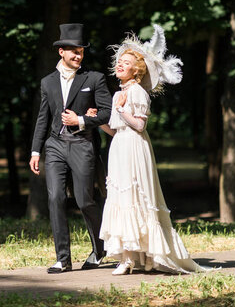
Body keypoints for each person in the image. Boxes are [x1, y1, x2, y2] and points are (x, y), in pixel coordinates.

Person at [89, 24, 208, 275]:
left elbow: (140, 125)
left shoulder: (138, 93)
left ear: (137, 70)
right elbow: (115, 129)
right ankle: (127, 258)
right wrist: (99, 121)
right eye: (119, 61)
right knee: (121, 198)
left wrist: (122, 109)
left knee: (138, 197)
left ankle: (151, 257)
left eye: (126, 62)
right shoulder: (118, 94)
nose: (120, 64)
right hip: (119, 148)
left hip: (135, 149)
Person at [30, 23, 112, 274]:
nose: (78, 56)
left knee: (84, 200)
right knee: (55, 198)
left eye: (81, 52)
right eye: (74, 51)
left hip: (82, 144)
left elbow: (109, 112)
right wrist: (35, 151)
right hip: (54, 145)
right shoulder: (48, 82)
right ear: (61, 52)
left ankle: (100, 248)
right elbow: (43, 117)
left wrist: (83, 120)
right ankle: (63, 258)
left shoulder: (94, 78)